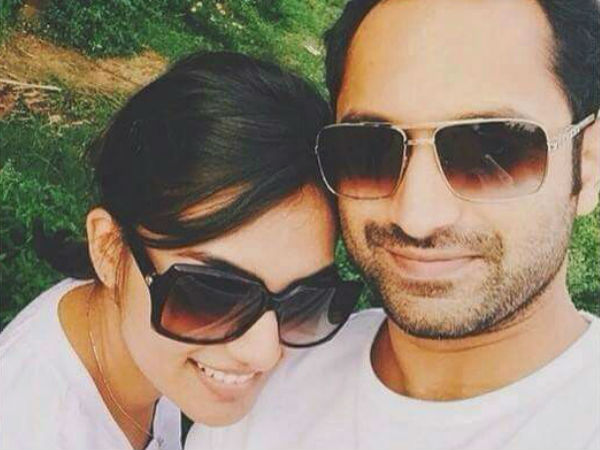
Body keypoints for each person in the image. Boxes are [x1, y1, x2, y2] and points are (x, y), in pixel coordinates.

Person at [185, 0, 600, 449]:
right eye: (370, 150)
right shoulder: (261, 382)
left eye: (492, 151)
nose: (416, 217)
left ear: (588, 164)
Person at [0, 51, 362, 450]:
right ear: (108, 247)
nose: (264, 352)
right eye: (212, 295)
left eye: (305, 301)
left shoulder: (138, 351)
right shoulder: (30, 428)